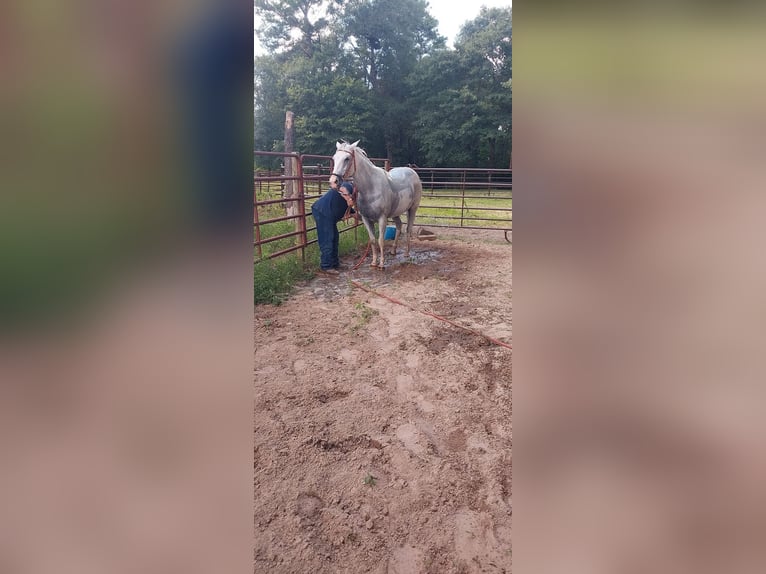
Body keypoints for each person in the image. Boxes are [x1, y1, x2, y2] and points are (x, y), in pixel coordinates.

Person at [311, 177, 355, 275]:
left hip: (329, 214)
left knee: (335, 237)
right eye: (347, 195)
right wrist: (349, 199)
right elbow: (344, 190)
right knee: (327, 238)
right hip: (323, 212)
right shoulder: (346, 188)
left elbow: (351, 211)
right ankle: (326, 266)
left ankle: (335, 263)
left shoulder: (351, 192)